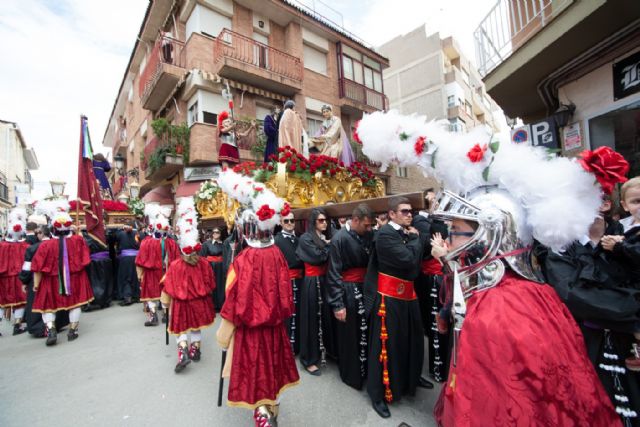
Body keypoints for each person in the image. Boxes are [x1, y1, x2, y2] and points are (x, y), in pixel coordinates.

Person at [537, 196, 640, 424]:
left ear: (606, 204)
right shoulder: (560, 246)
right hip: (586, 345)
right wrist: (635, 320)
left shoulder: (630, 238)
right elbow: (574, 295)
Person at [215, 169, 299, 426]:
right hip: (274, 326)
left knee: (254, 369)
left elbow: (233, 295)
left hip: (251, 330)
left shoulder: (243, 260)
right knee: (273, 367)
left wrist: (224, 332)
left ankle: (261, 413)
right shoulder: (277, 255)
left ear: (246, 230)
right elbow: (285, 291)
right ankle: (271, 408)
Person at [364, 197, 432, 418]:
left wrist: (418, 241)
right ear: (392, 214)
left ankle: (411, 377)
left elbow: (419, 258)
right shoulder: (385, 235)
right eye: (404, 211)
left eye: (411, 211)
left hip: (408, 295)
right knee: (385, 349)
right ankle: (378, 395)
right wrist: (416, 240)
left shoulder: (406, 232)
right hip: (389, 298)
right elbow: (408, 261)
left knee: (412, 340)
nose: (409, 214)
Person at [162, 198, 216, 373]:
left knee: (181, 329)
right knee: (196, 327)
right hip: (199, 302)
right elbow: (211, 284)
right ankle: (195, 350)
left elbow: (168, 287)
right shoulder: (204, 263)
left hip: (181, 303)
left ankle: (183, 351)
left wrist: (164, 304)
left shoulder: (176, 265)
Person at [326, 204, 374, 390]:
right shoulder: (339, 238)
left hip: (366, 288)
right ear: (355, 220)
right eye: (366, 225)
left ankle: (366, 371)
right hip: (347, 290)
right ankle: (351, 375)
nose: (369, 229)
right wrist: (338, 304)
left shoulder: (368, 235)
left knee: (367, 332)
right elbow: (334, 273)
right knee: (350, 334)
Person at [32, 207, 93, 346]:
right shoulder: (78, 240)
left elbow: (37, 267)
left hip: (50, 280)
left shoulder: (45, 245)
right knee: (75, 304)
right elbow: (86, 260)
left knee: (48, 306)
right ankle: (73, 330)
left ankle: (51, 329)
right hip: (75, 278)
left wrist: (36, 284)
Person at [601, 176, 640, 373]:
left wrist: (620, 245)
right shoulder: (623, 225)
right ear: (625, 205)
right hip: (626, 280)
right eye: (636, 201)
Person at [412, 190, 451, 383]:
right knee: (435, 325)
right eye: (432, 198)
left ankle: (444, 366)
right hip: (431, 280)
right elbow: (433, 240)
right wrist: (434, 214)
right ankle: (437, 369)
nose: (435, 201)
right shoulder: (420, 219)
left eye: (437, 199)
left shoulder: (441, 219)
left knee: (443, 326)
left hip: (444, 278)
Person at [296, 207, 332, 375]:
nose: (324, 223)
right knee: (311, 320)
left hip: (324, 281)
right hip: (312, 282)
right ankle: (308, 358)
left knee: (325, 318)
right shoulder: (305, 238)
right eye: (320, 220)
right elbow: (318, 257)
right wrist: (328, 247)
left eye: (325, 220)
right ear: (313, 222)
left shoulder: (324, 237)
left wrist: (326, 246)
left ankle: (324, 351)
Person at [19, 226, 69, 337]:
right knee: (57, 301)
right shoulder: (58, 244)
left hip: (39, 279)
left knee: (42, 304)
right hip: (58, 278)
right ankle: (58, 324)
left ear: (41, 234)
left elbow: (27, 268)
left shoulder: (32, 249)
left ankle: (44, 328)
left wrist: (24, 281)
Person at [136, 205, 180, 326]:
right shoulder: (172, 243)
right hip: (166, 272)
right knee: (166, 292)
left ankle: (153, 316)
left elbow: (140, 260)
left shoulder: (146, 242)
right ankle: (166, 315)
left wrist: (140, 274)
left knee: (150, 294)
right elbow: (177, 260)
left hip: (151, 273)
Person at [274, 212, 304, 354]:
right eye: (286, 221)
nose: (290, 223)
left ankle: (298, 345)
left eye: (292, 220)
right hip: (285, 283)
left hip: (301, 281)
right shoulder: (276, 241)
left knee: (299, 314)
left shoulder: (298, 239)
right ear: (280, 222)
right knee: (287, 315)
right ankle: (286, 348)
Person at [0, 208, 30, 335]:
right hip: (19, 277)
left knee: (2, 302)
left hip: (4, 278)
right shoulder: (25, 246)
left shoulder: (2, 246)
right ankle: (17, 325)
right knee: (20, 302)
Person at [82, 230, 113, 311]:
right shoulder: (105, 234)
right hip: (103, 261)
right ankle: (105, 300)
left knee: (98, 282)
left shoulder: (87, 237)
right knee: (104, 281)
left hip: (96, 262)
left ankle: (99, 301)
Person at [115, 221, 140, 306]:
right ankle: (137, 296)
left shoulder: (121, 234)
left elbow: (114, 237)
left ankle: (127, 297)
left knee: (126, 278)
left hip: (125, 259)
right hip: (136, 258)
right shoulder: (138, 234)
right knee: (136, 277)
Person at [199, 227, 225, 310]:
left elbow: (225, 255)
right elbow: (202, 257)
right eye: (214, 232)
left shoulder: (223, 244)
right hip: (210, 267)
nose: (215, 234)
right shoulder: (206, 244)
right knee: (211, 285)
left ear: (220, 234)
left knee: (220, 285)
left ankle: (220, 304)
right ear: (212, 234)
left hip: (220, 268)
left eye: (217, 232)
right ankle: (212, 305)